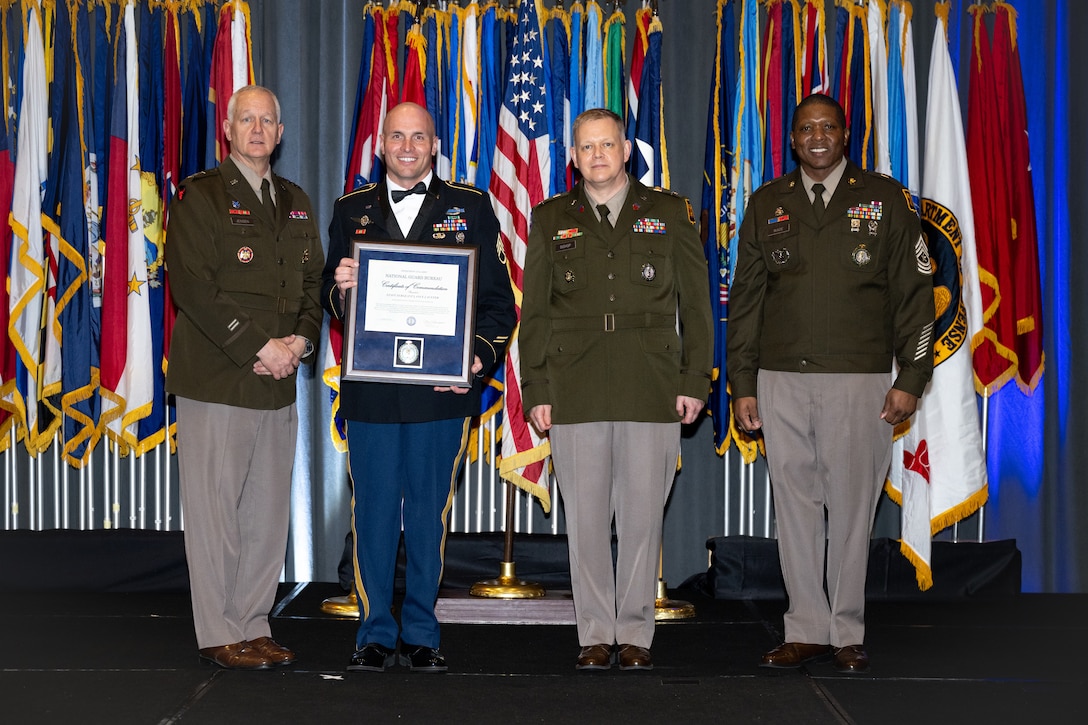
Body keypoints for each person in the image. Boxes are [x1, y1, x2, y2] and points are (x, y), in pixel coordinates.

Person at [726, 94, 935, 674]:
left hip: (860, 381)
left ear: (846, 134)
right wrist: (742, 381)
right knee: (794, 509)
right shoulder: (768, 203)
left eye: (828, 127)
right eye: (805, 129)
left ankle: (846, 630)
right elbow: (745, 302)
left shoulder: (886, 199)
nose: (817, 137)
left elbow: (916, 299)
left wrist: (912, 378)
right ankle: (807, 628)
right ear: (791, 140)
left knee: (850, 509)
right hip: (780, 380)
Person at [322, 102, 515, 673]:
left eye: (420, 137)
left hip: (441, 395)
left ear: (435, 145)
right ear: (381, 145)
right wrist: (342, 288)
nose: (408, 147)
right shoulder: (350, 210)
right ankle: (375, 631)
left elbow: (498, 304)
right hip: (373, 391)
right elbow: (330, 300)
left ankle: (423, 633)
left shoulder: (472, 207)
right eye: (397, 136)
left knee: (429, 513)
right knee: (375, 512)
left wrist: (473, 364)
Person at [520, 108, 713, 671]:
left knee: (640, 516)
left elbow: (695, 308)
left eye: (607, 144)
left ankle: (634, 634)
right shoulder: (551, 217)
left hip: (650, 382)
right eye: (586, 147)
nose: (598, 155)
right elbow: (536, 314)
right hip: (574, 382)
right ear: (572, 156)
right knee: (583, 519)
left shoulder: (670, 213)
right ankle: (594, 633)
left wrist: (694, 379)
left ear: (627, 150)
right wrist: (536, 388)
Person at [165, 85, 324, 669]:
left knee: (265, 513)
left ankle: (255, 623)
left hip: (278, 378)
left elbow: (313, 286)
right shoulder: (200, 196)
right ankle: (218, 631)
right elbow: (194, 288)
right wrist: (259, 345)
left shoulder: (296, 201)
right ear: (227, 130)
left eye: (268, 121)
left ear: (281, 134)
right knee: (215, 512)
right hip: (218, 378)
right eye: (246, 119)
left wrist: (300, 342)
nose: (258, 129)